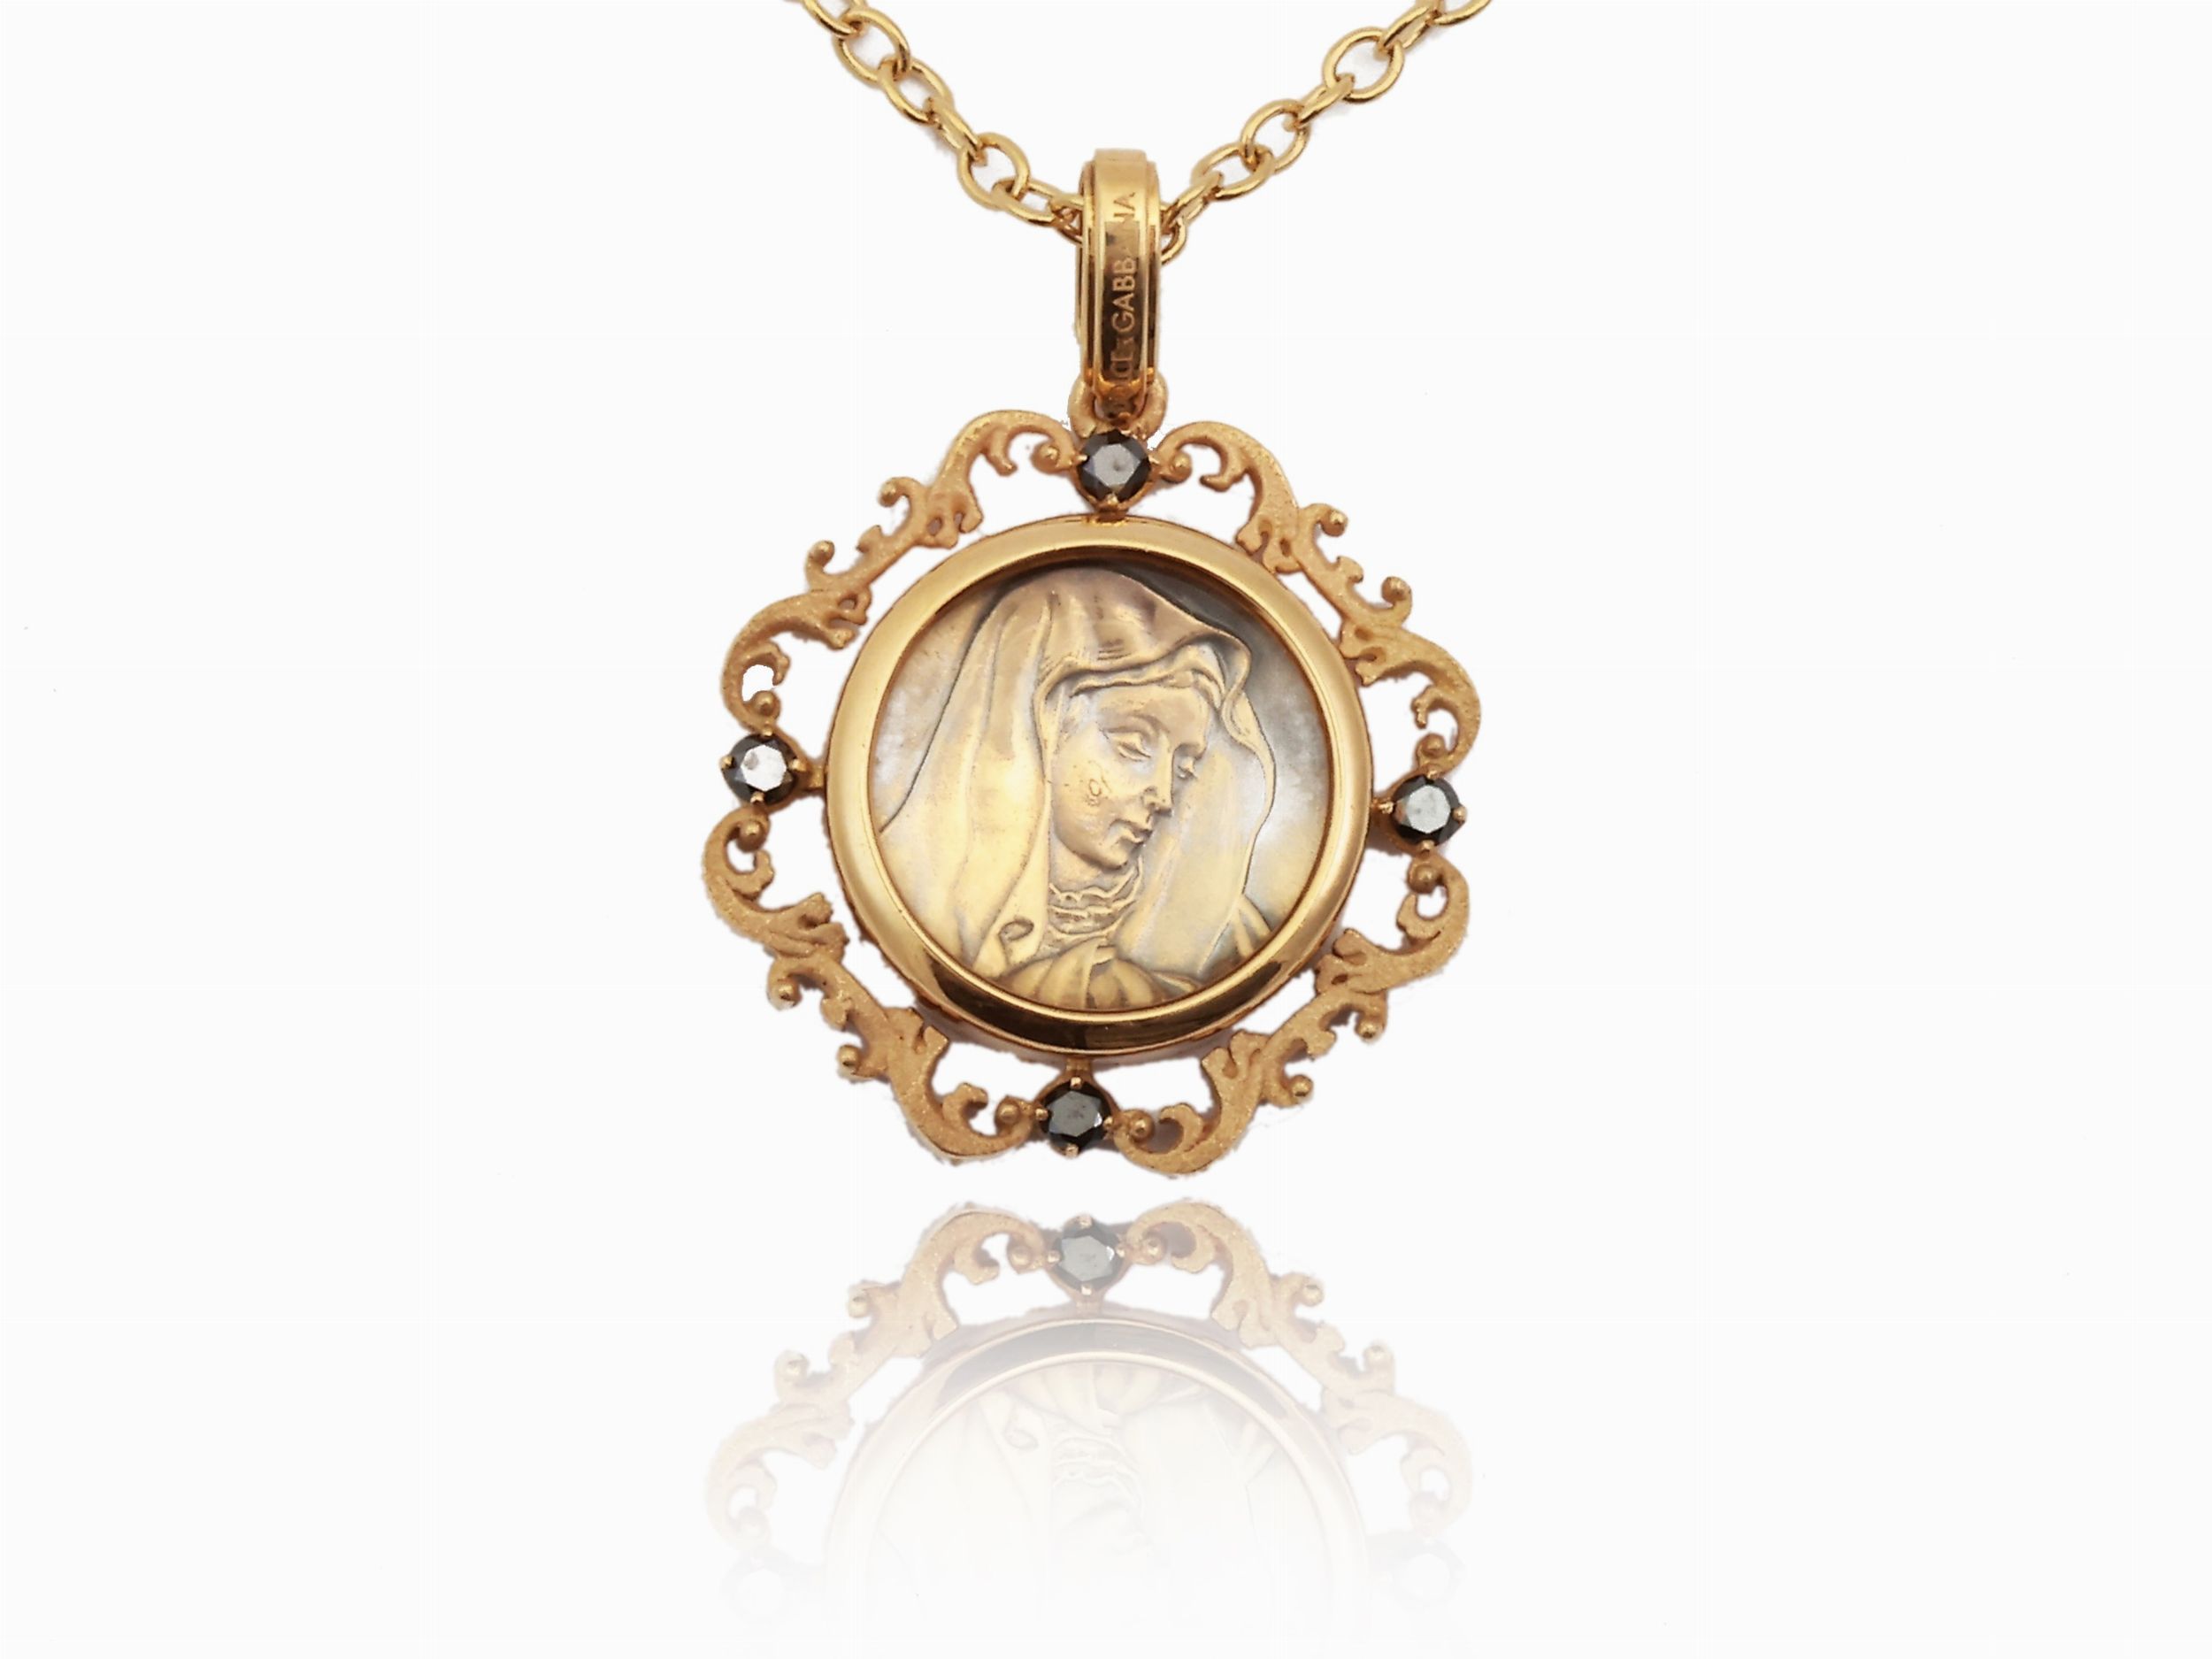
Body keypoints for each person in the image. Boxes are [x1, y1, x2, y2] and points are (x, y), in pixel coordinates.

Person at [878, 568, 1278, 1010]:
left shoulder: (1229, 933)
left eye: (1184, 767)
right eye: (1133, 746)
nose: (1163, 796)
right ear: (1040, 731)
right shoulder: (913, 897)